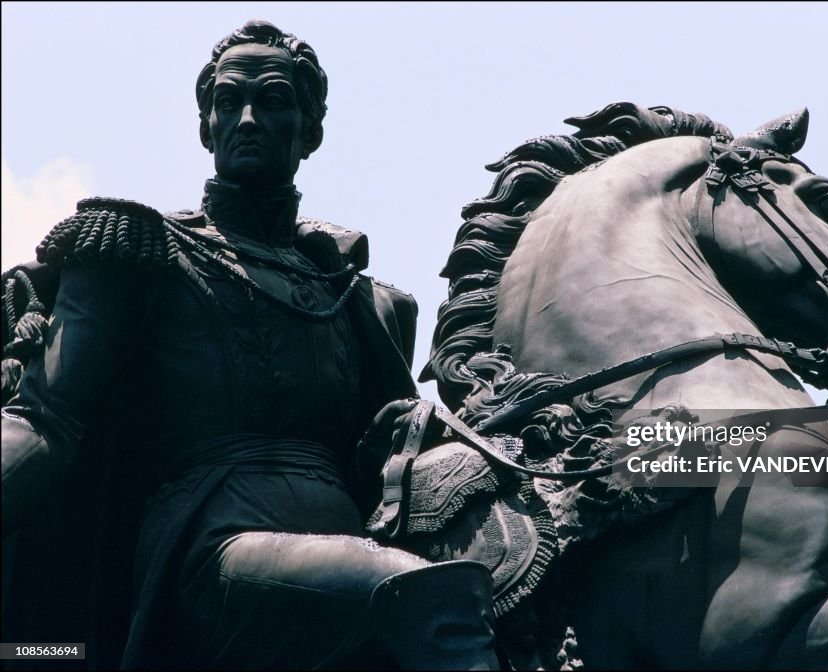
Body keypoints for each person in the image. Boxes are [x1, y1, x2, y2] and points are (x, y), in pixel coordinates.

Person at [1, 20, 499, 670]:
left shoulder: (358, 300)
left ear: (309, 129)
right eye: (228, 102)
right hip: (209, 550)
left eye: (271, 101)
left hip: (351, 546)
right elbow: (47, 419)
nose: (247, 119)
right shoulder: (142, 251)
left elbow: (389, 453)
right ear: (206, 127)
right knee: (430, 602)